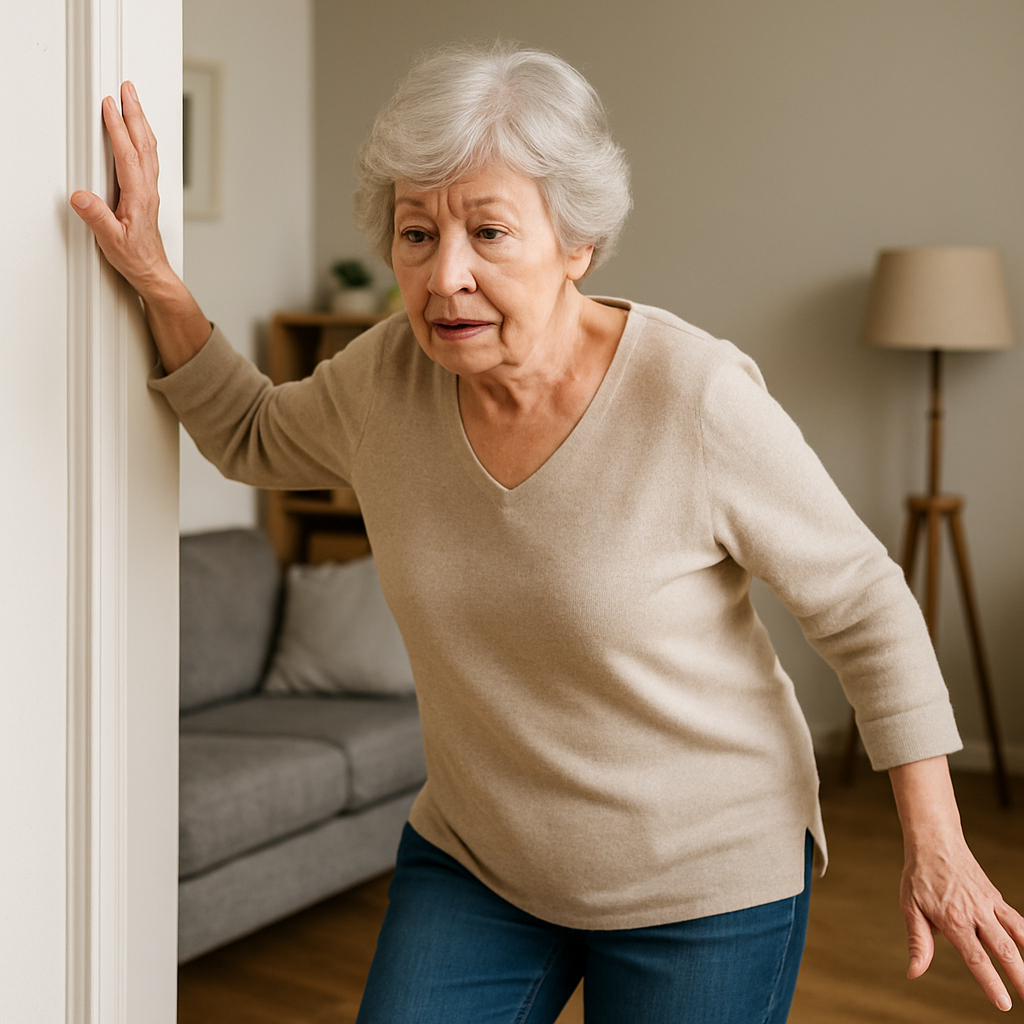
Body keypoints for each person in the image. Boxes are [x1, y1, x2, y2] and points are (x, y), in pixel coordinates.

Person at [71, 44, 1024, 1024]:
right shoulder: (386, 375)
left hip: (700, 880)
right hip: (479, 859)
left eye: (488, 232)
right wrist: (152, 273)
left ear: (578, 242)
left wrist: (936, 841)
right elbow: (252, 433)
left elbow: (863, 601)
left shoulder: (690, 396)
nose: (445, 278)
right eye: (414, 233)